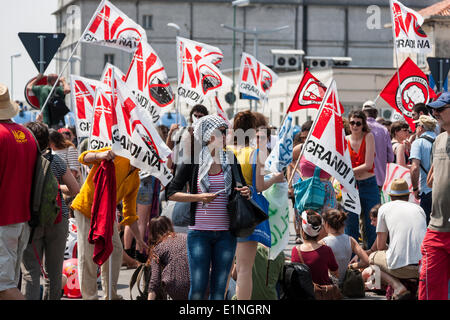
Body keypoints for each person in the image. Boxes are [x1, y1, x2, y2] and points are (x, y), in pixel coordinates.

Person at [166, 115, 251, 300]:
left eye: (225, 131)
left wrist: (246, 191)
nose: (226, 135)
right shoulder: (193, 159)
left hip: (226, 234)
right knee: (197, 290)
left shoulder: (230, 158)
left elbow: (243, 187)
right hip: (199, 234)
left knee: (219, 291)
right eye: (221, 132)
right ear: (207, 134)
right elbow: (170, 192)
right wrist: (199, 197)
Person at [70, 147, 148, 300]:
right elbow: (83, 157)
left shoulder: (136, 179)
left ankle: (110, 295)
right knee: (88, 255)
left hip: (106, 213)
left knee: (116, 250)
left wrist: (139, 239)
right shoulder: (117, 154)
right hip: (86, 208)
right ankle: (90, 297)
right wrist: (100, 155)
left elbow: (130, 213)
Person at [227, 111, 284, 300]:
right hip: (245, 213)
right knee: (244, 269)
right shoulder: (255, 153)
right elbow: (259, 186)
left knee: (225, 267)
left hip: (223, 211)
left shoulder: (225, 151)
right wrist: (275, 178)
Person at [21, 122, 80, 300]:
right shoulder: (56, 160)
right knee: (53, 274)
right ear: (48, 141)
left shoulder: (23, 161)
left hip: (31, 220)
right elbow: (75, 189)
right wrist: (56, 188)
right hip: (57, 218)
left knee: (30, 273)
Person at [0, 84, 37, 300]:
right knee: (8, 285)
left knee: (4, 288)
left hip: (3, 221)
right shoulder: (27, 134)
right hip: (21, 220)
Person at [367, 179, 426, 300]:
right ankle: (418, 286)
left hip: (400, 269)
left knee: (372, 258)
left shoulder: (384, 208)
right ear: (408, 195)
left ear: (390, 196)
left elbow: (380, 247)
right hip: (423, 267)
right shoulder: (419, 209)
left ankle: (398, 286)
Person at [418, 92, 450, 300]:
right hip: (437, 227)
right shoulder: (438, 140)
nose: (435, 113)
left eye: (440, 109)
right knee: (428, 285)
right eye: (433, 109)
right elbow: (432, 178)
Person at [345, 110, 379, 249]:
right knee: (350, 223)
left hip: (368, 184)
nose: (355, 125)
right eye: (352, 122)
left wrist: (348, 172)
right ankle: (352, 258)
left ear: (363, 124)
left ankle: (372, 257)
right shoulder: (345, 139)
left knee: (372, 222)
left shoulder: (369, 136)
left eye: (358, 123)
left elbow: (368, 164)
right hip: (351, 185)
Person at [320, 208, 369, 286]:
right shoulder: (350, 240)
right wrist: (350, 266)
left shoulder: (323, 242)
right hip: (346, 283)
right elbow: (366, 261)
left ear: (326, 224)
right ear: (343, 224)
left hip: (329, 284)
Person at [291, 210, 339, 286]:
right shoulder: (326, 250)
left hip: (304, 293)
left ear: (303, 232)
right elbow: (335, 272)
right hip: (323, 293)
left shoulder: (295, 250)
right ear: (319, 231)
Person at [147, 216, 190, 300]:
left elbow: (154, 280)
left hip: (177, 288)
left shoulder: (157, 249)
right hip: (200, 284)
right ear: (170, 225)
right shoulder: (186, 237)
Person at [409, 115, 437, 225]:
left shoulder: (418, 142)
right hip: (444, 189)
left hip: (427, 190)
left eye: (416, 125)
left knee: (427, 226)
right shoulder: (442, 139)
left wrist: (415, 188)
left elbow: (414, 168)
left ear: (420, 127)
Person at [362, 101, 394, 189]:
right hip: (379, 179)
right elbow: (391, 158)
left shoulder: (358, 128)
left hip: (360, 176)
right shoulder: (384, 130)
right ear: (376, 113)